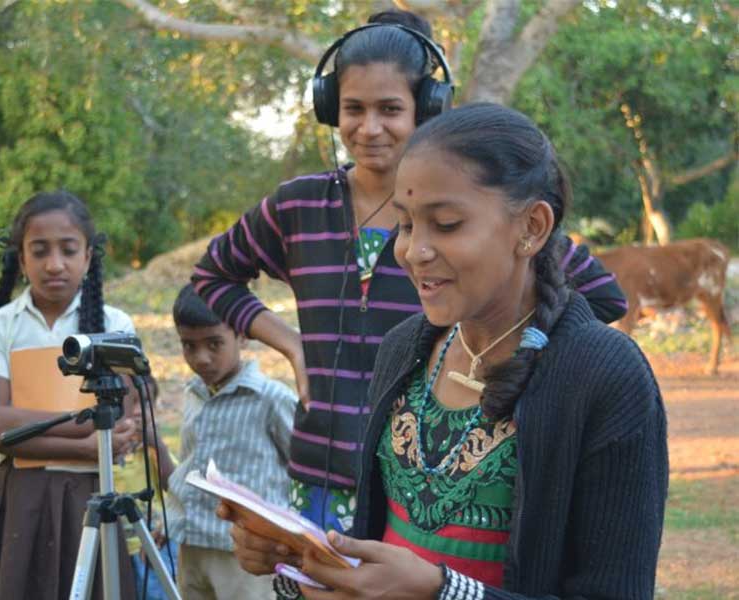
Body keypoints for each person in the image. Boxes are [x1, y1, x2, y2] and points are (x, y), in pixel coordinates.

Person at [193, 8, 628, 554]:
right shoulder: (296, 206)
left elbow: (601, 296)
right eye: (353, 108)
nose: (369, 128)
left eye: (390, 109)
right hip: (320, 475)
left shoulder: (476, 215)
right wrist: (293, 346)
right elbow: (214, 273)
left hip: (428, 484)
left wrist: (503, 369)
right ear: (330, 108)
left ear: (426, 109)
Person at [272, 103, 667, 599]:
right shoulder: (402, 352)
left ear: (532, 227)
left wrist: (443, 592)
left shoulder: (606, 378)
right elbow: (382, 551)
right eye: (406, 225)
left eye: (447, 224)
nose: (413, 252)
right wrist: (300, 565)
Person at [0, 190, 138, 600]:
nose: (54, 264)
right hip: (19, 499)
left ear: (88, 257)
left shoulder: (114, 325)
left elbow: (120, 429)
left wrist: (19, 419)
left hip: (90, 497)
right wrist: (88, 443)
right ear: (21, 259)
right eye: (39, 251)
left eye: (68, 250)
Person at [136, 284, 297, 600]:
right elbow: (189, 468)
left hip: (245, 554)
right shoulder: (193, 393)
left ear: (242, 335)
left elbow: (303, 469)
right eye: (189, 346)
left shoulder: (270, 398)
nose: (202, 358)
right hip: (193, 543)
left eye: (214, 344)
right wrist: (170, 522)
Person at [114, 373, 180, 600]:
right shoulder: (104, 451)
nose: (137, 411)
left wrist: (157, 445)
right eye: (129, 403)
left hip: (152, 546)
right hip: (119, 547)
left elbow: (173, 485)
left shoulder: (151, 449)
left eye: (145, 402)